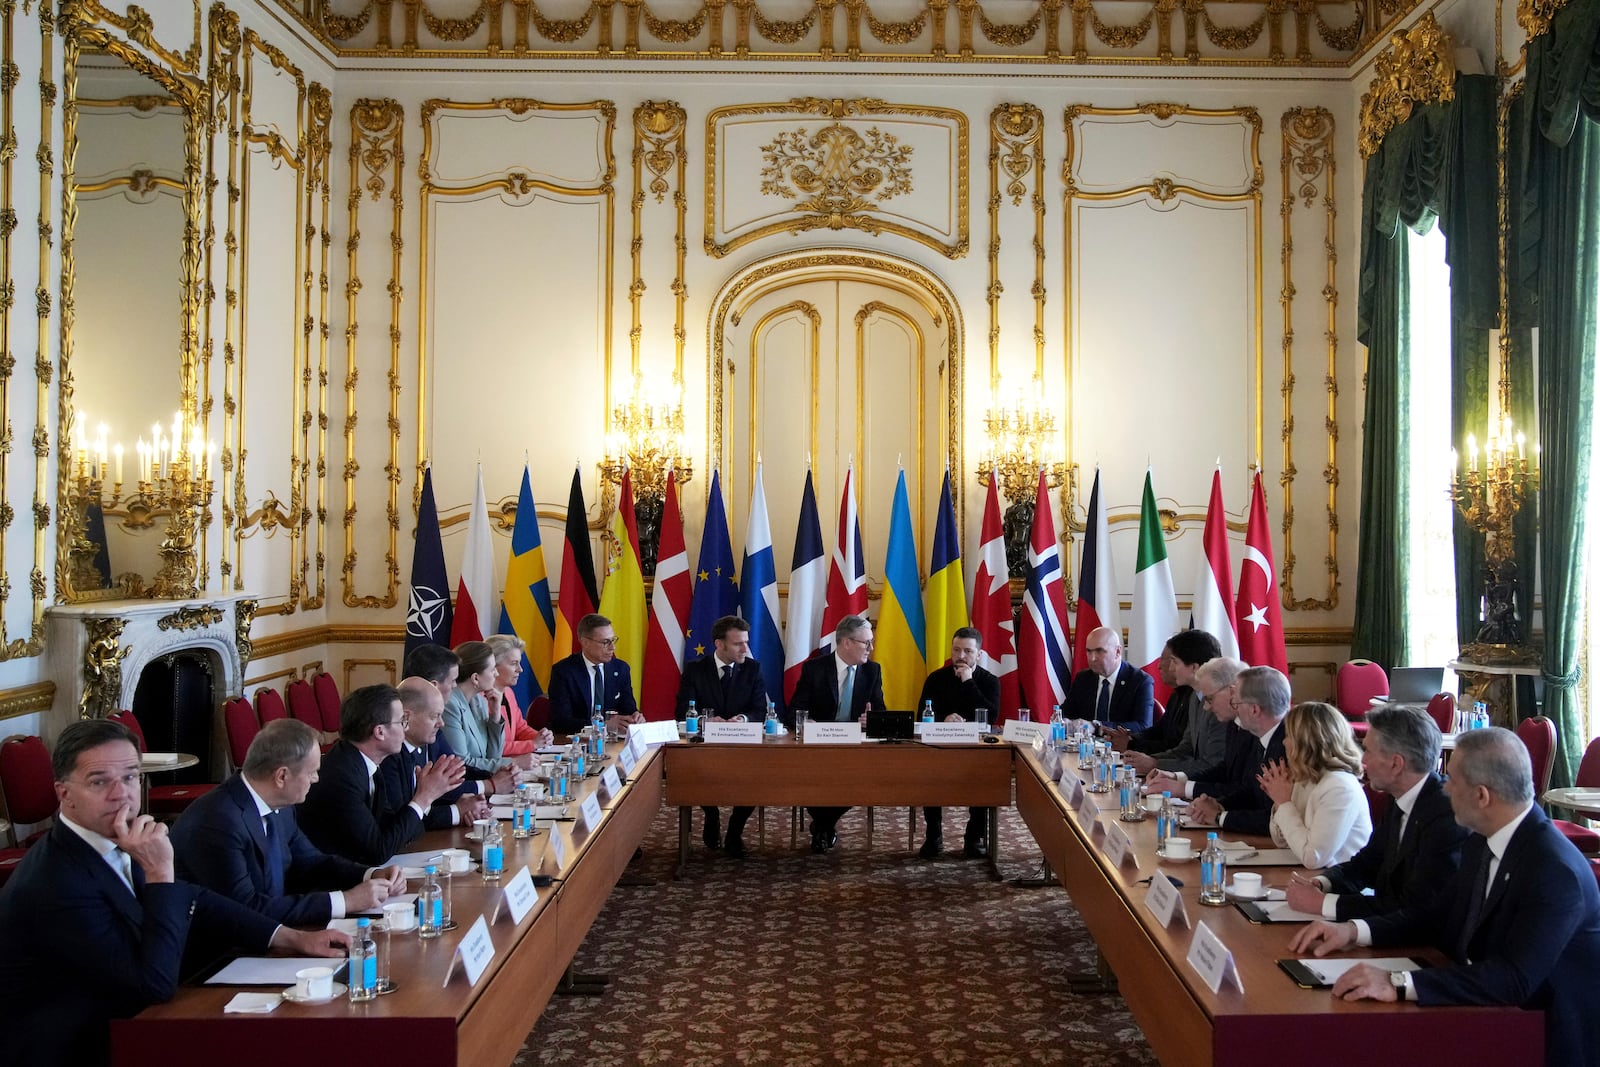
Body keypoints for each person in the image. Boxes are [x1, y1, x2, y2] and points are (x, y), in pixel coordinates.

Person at [0, 719, 348, 1067]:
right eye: (99, 781)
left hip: (132, 1021)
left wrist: (290, 938)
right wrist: (159, 873)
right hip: (74, 1048)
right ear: (64, 794)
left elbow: (194, 898)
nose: (121, 793)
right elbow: (152, 986)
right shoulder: (55, 882)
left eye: (131, 777)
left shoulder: (115, 838)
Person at [1289, 727, 1600, 1067]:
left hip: (1542, 1035)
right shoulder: (1484, 840)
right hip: (1483, 1009)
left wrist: (1398, 982)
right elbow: (1435, 915)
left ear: (1482, 796)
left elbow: (1514, 979)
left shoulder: (1553, 870)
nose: (1443, 787)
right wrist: (1354, 930)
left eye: (1451, 780)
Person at [172, 719, 401, 930]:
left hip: (271, 933)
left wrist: (371, 875)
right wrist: (346, 900)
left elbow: (311, 862)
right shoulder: (218, 821)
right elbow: (245, 908)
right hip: (216, 957)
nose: (316, 779)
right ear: (282, 776)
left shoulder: (280, 806)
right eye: (312, 772)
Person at [1284, 703, 1467, 920]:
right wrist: (1323, 883)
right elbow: (1366, 864)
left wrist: (1325, 904)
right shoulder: (1401, 798)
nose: (1363, 760)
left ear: (1395, 764)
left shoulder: (1446, 816)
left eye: (1368, 751)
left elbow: (1416, 905)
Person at [298, 684, 467, 865]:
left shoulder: (370, 763)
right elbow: (378, 850)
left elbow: (401, 830)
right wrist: (424, 797)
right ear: (379, 732)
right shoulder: (342, 776)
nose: (406, 727)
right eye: (402, 721)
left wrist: (424, 799)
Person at [674, 615, 770, 858]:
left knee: (757, 778)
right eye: (738, 643)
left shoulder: (753, 669)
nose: (745, 648)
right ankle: (711, 813)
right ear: (719, 644)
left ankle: (735, 832)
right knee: (696, 774)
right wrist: (707, 721)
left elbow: (759, 710)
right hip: (706, 749)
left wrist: (742, 719)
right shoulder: (695, 670)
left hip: (744, 747)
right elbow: (682, 712)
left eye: (746, 642)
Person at [789, 614, 886, 853]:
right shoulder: (815, 669)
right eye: (867, 643)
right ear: (847, 643)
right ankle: (825, 827)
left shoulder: (872, 671)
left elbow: (880, 712)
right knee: (807, 781)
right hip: (818, 745)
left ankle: (823, 826)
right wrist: (806, 721)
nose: (871, 648)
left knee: (858, 782)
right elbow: (794, 711)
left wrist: (871, 720)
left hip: (855, 747)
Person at [915, 626, 1001, 859]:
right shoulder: (936, 677)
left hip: (976, 751)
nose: (961, 656)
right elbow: (921, 714)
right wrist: (944, 718)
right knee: (927, 773)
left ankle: (974, 836)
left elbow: (990, 717)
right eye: (956, 650)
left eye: (967, 651)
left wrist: (968, 681)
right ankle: (934, 835)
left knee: (986, 776)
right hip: (939, 748)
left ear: (979, 654)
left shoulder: (989, 681)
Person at [1174, 664, 1290, 836]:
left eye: (1236, 703)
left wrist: (1221, 817)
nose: (1235, 710)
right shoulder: (1266, 738)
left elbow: (1278, 819)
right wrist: (1219, 805)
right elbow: (1251, 790)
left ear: (1254, 710)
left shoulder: (1287, 747)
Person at [376, 677, 502, 830]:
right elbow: (402, 821)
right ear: (406, 718)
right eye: (434, 716)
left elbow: (454, 773)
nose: (441, 723)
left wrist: (474, 799)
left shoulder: (431, 738)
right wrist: (457, 811)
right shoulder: (389, 756)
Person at [1257, 701, 1371, 869]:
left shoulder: (1339, 787)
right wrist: (1280, 800)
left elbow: (1313, 858)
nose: (1284, 743)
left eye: (1289, 736)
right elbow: (1282, 841)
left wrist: (1284, 803)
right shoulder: (1306, 777)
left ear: (1306, 742)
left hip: (1339, 886)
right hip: (1312, 877)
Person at [1118, 630, 1224, 777]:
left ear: (1194, 667)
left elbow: (1213, 765)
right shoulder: (1195, 697)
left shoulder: (1220, 705)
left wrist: (1155, 764)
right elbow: (1186, 748)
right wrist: (1149, 760)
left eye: (1175, 662)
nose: (1171, 668)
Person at [1144, 656, 1246, 796]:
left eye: (1209, 699)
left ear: (1232, 691)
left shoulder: (1241, 726)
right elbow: (1221, 771)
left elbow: (1242, 790)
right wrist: (1176, 777)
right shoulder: (1234, 725)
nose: (1206, 707)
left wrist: (1183, 788)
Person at [547, 613, 643, 736]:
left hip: (612, 742)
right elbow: (560, 721)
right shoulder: (564, 672)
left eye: (613, 640)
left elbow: (628, 708)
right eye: (605, 642)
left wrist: (635, 717)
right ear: (585, 642)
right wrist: (602, 727)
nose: (612, 647)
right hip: (577, 742)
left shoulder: (620, 669)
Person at [441, 641, 517, 775]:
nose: (496, 674)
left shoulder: (479, 701)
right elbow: (462, 763)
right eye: (492, 669)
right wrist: (513, 762)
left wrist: (495, 715)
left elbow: (493, 757)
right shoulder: (450, 705)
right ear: (475, 678)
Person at [1062, 626, 1153, 731]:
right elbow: (1067, 711)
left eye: (1099, 651)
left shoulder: (1140, 681)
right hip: (1085, 744)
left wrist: (1098, 727)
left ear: (1117, 652)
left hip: (1120, 746)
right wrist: (1063, 719)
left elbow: (1142, 726)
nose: (1092, 658)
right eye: (1089, 651)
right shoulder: (1083, 678)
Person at [486, 632, 554, 756]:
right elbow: (491, 747)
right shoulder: (478, 700)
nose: (520, 669)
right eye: (513, 663)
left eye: (519, 663)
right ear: (493, 666)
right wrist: (533, 744)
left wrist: (541, 737)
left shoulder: (508, 693)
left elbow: (520, 729)